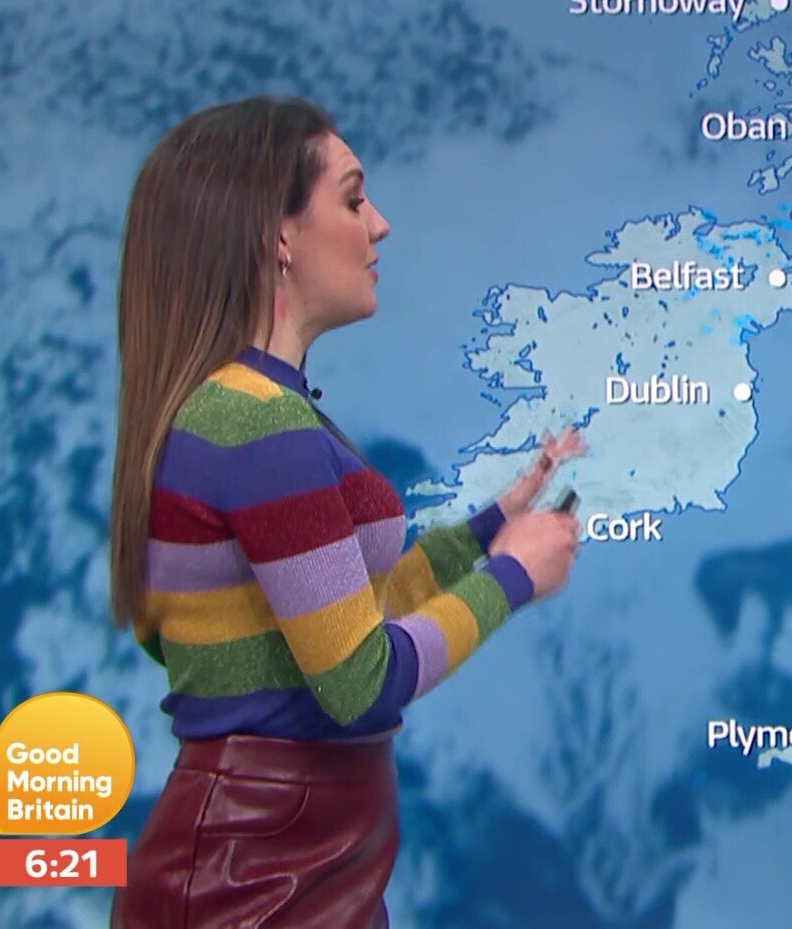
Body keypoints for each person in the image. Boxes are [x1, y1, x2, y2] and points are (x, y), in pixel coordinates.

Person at [107, 96, 582, 927]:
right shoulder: (257, 425)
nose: (381, 225)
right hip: (257, 880)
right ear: (277, 235)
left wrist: (491, 527)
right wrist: (512, 578)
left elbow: (345, 612)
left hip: (282, 865)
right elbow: (359, 683)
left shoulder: (246, 411)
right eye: (354, 199)